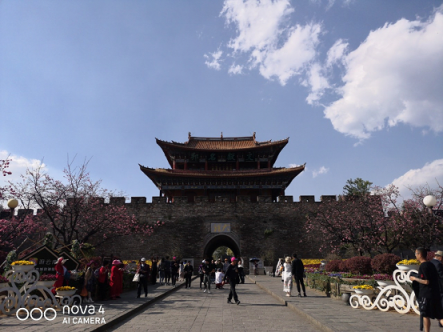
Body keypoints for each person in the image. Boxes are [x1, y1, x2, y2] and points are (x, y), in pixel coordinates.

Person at [410, 247, 443, 332]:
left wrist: (414, 278)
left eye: (416, 254)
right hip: (435, 293)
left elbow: (426, 281)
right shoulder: (431, 264)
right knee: (439, 316)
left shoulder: (423, 266)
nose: (415, 256)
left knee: (425, 315)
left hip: (426, 295)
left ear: (420, 254)